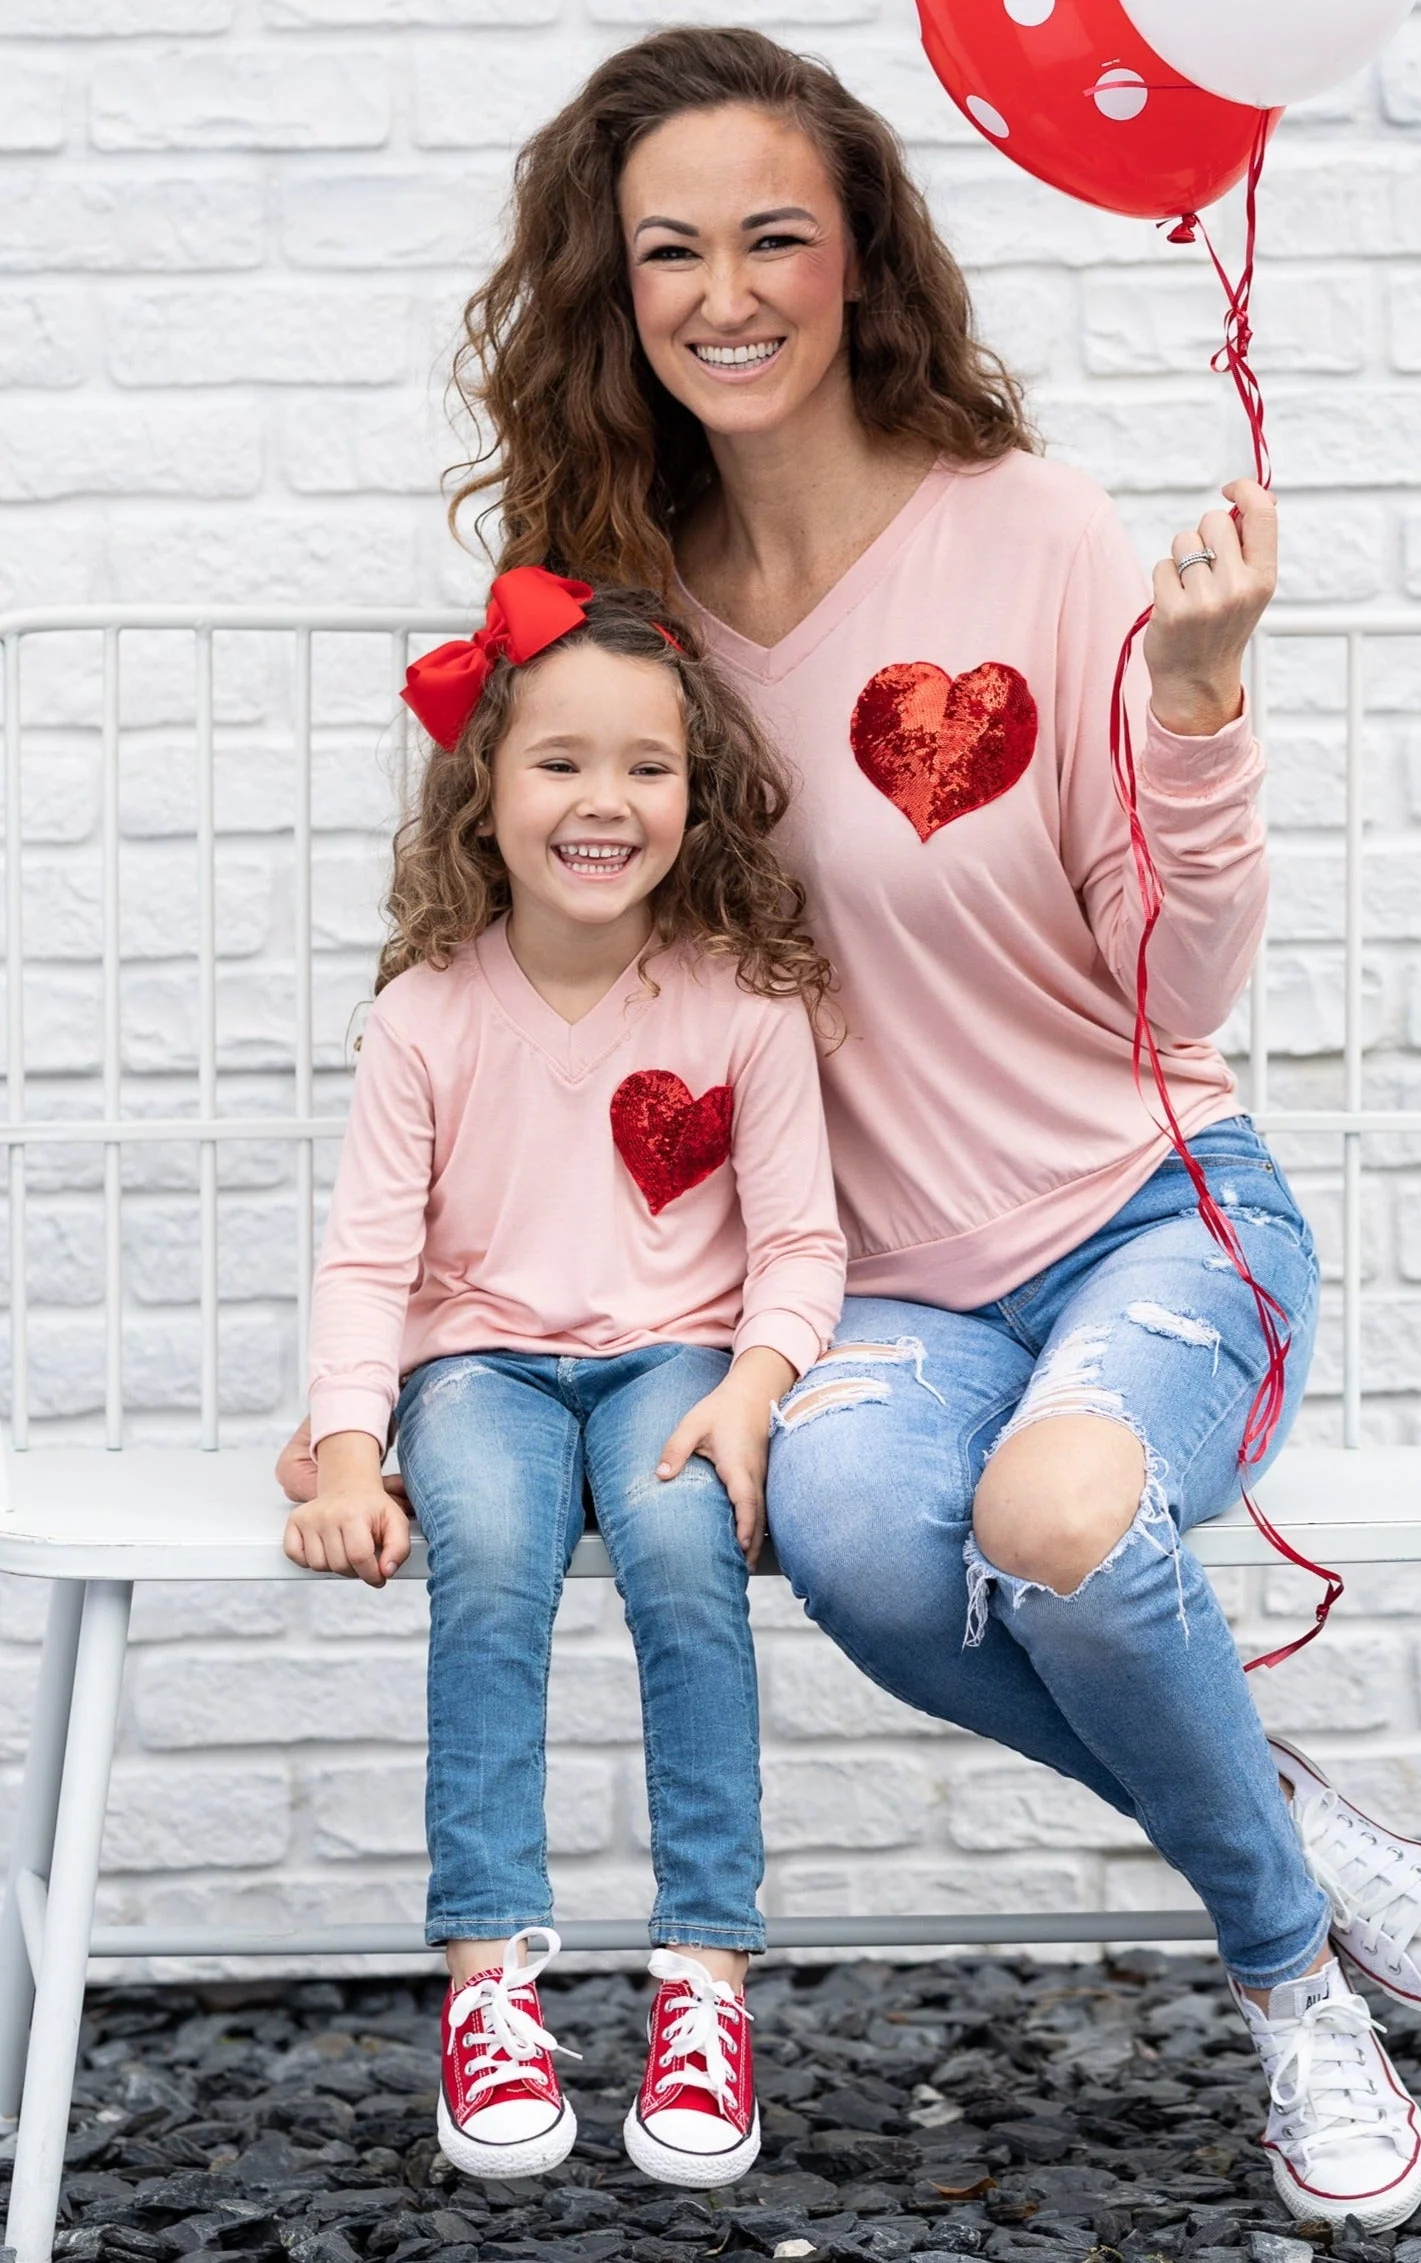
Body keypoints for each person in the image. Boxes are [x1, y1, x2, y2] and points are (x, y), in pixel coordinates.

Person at [279, 27, 1421, 2232]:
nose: (726, 291)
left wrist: (1199, 701)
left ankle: (1283, 1989)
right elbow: (549, 989)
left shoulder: (1030, 534)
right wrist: (395, 1370)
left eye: (777, 235)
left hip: (1147, 1216)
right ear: (614, 286)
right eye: (670, 249)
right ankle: (1292, 1821)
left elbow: (1177, 981)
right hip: (875, 1291)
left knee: (1056, 1513)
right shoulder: (623, 613)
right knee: (860, 1548)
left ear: (865, 262)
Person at [284, 571, 846, 2190]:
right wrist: (340, 1447)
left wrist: (750, 1389)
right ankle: (489, 1986)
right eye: (560, 762)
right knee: (490, 1549)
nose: (604, 800)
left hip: (676, 1357)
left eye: (647, 767)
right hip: (479, 1365)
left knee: (681, 1553)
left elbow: (802, 1243)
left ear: (697, 793)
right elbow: (367, 1265)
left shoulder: (745, 1001)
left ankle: (702, 1982)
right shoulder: (425, 1015)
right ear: (484, 785)